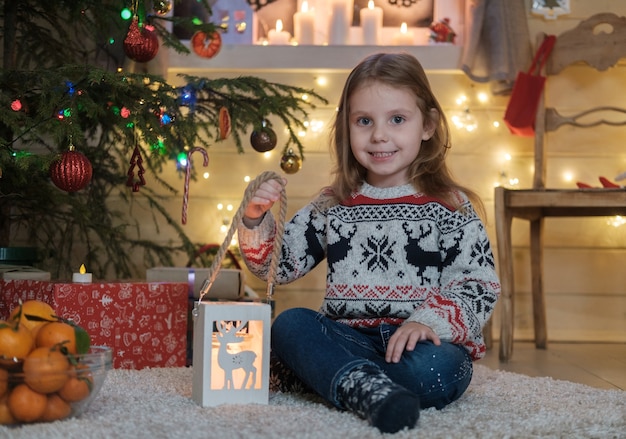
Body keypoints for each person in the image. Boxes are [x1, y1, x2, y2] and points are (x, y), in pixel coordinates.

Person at [237, 52, 501, 434]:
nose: (379, 135)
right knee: (291, 324)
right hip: (348, 337)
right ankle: (365, 387)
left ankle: (333, 378)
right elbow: (277, 267)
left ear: (426, 125)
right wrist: (255, 218)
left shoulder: (449, 206)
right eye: (364, 121)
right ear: (347, 128)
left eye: (397, 119)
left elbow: (478, 286)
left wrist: (427, 322)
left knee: (441, 369)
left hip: (419, 346)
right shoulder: (334, 203)